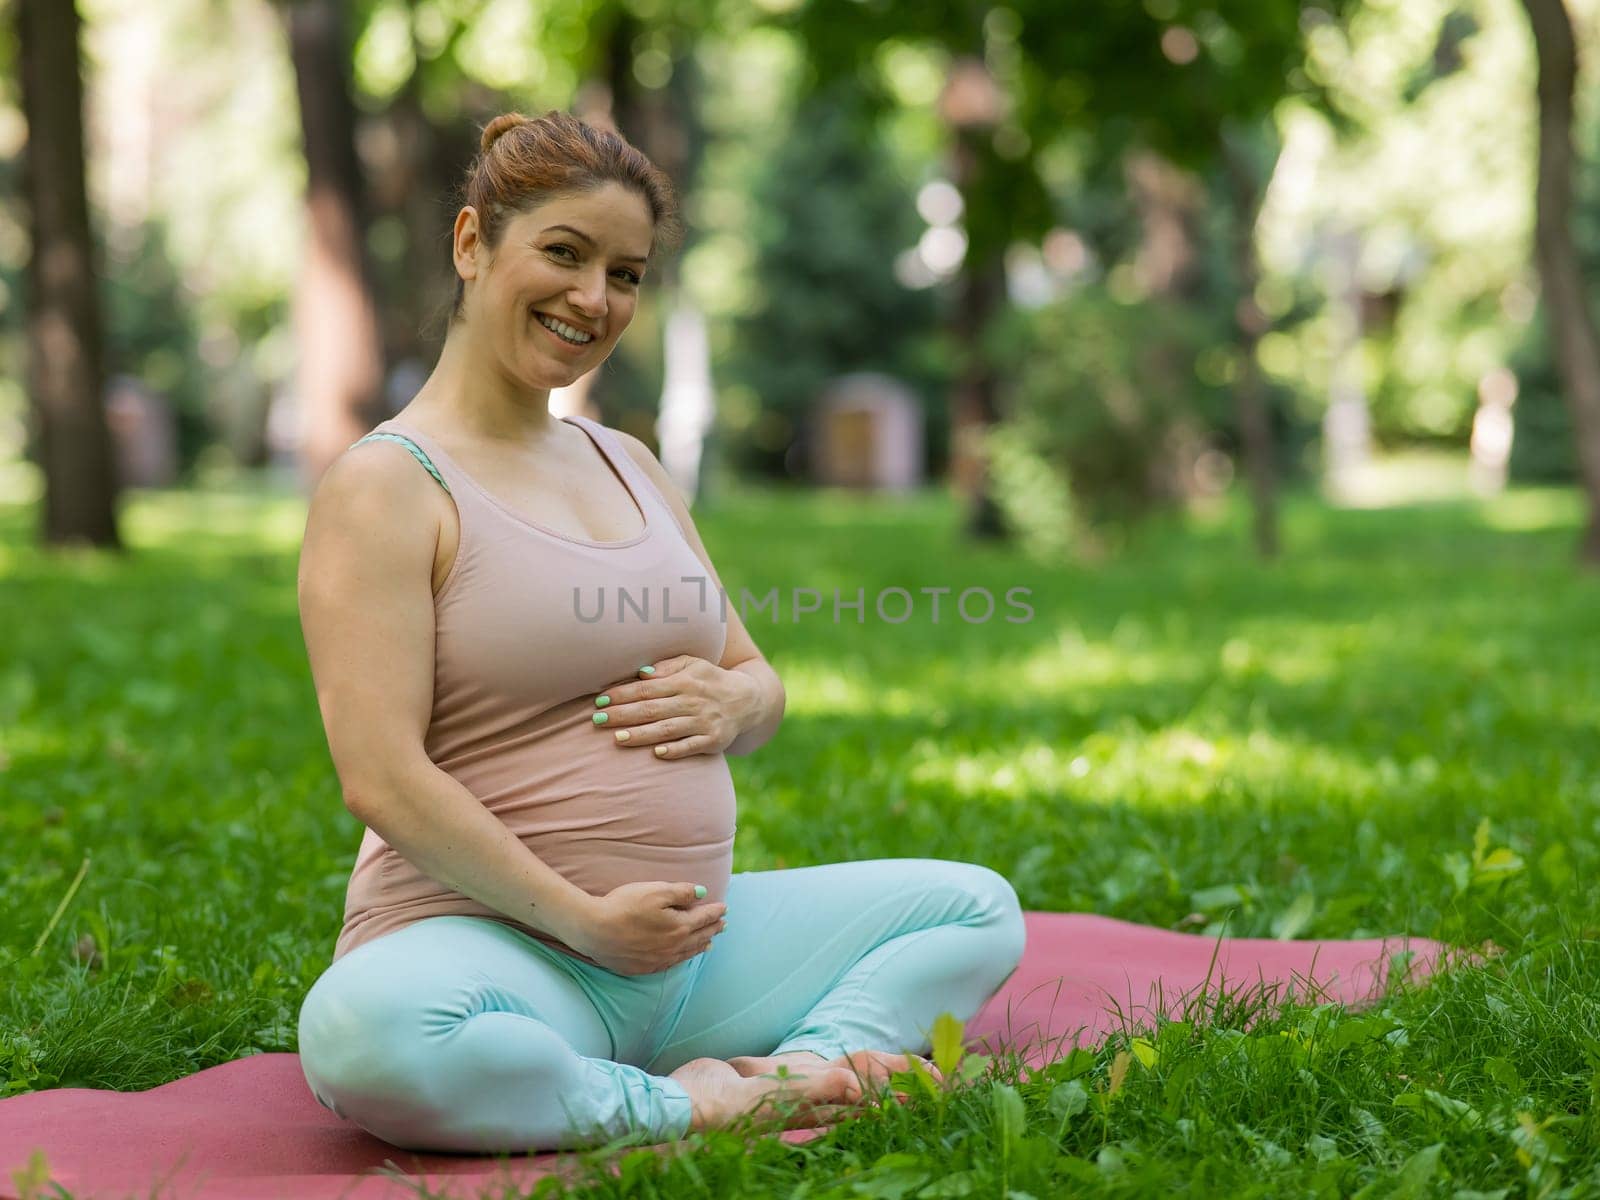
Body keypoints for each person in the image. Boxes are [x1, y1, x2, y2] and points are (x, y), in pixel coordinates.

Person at [293, 109, 1026, 1154]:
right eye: (563, 252)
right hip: (503, 953)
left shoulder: (628, 464)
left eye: (626, 274)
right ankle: (692, 1105)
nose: (594, 298)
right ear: (470, 244)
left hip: (694, 953)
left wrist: (745, 700)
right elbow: (379, 775)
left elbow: (752, 680)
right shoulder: (387, 487)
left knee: (973, 909)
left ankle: (801, 1069)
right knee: (365, 1036)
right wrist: (582, 922)